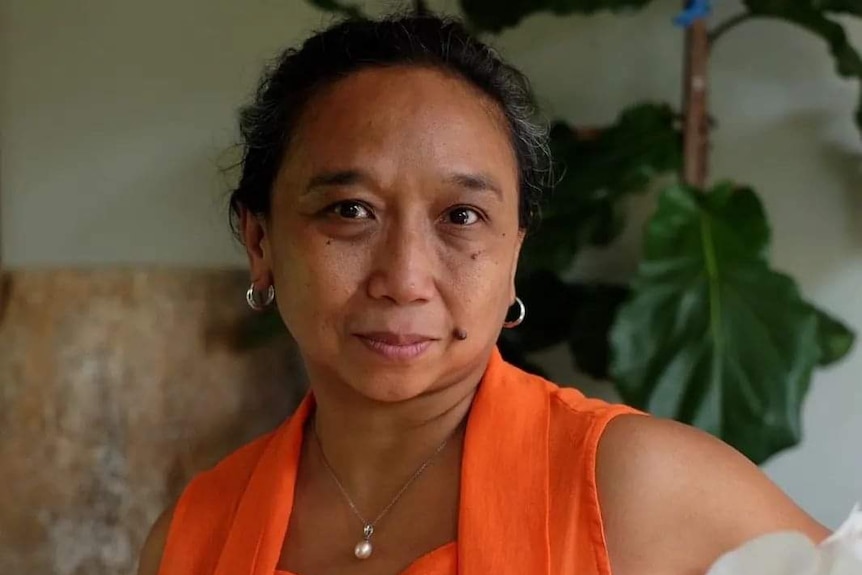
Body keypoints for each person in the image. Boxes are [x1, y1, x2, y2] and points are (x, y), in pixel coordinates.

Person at [138, 13, 828, 575]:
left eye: (461, 217)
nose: (405, 277)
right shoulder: (194, 535)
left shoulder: (631, 485)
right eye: (350, 210)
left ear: (515, 251)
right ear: (260, 244)